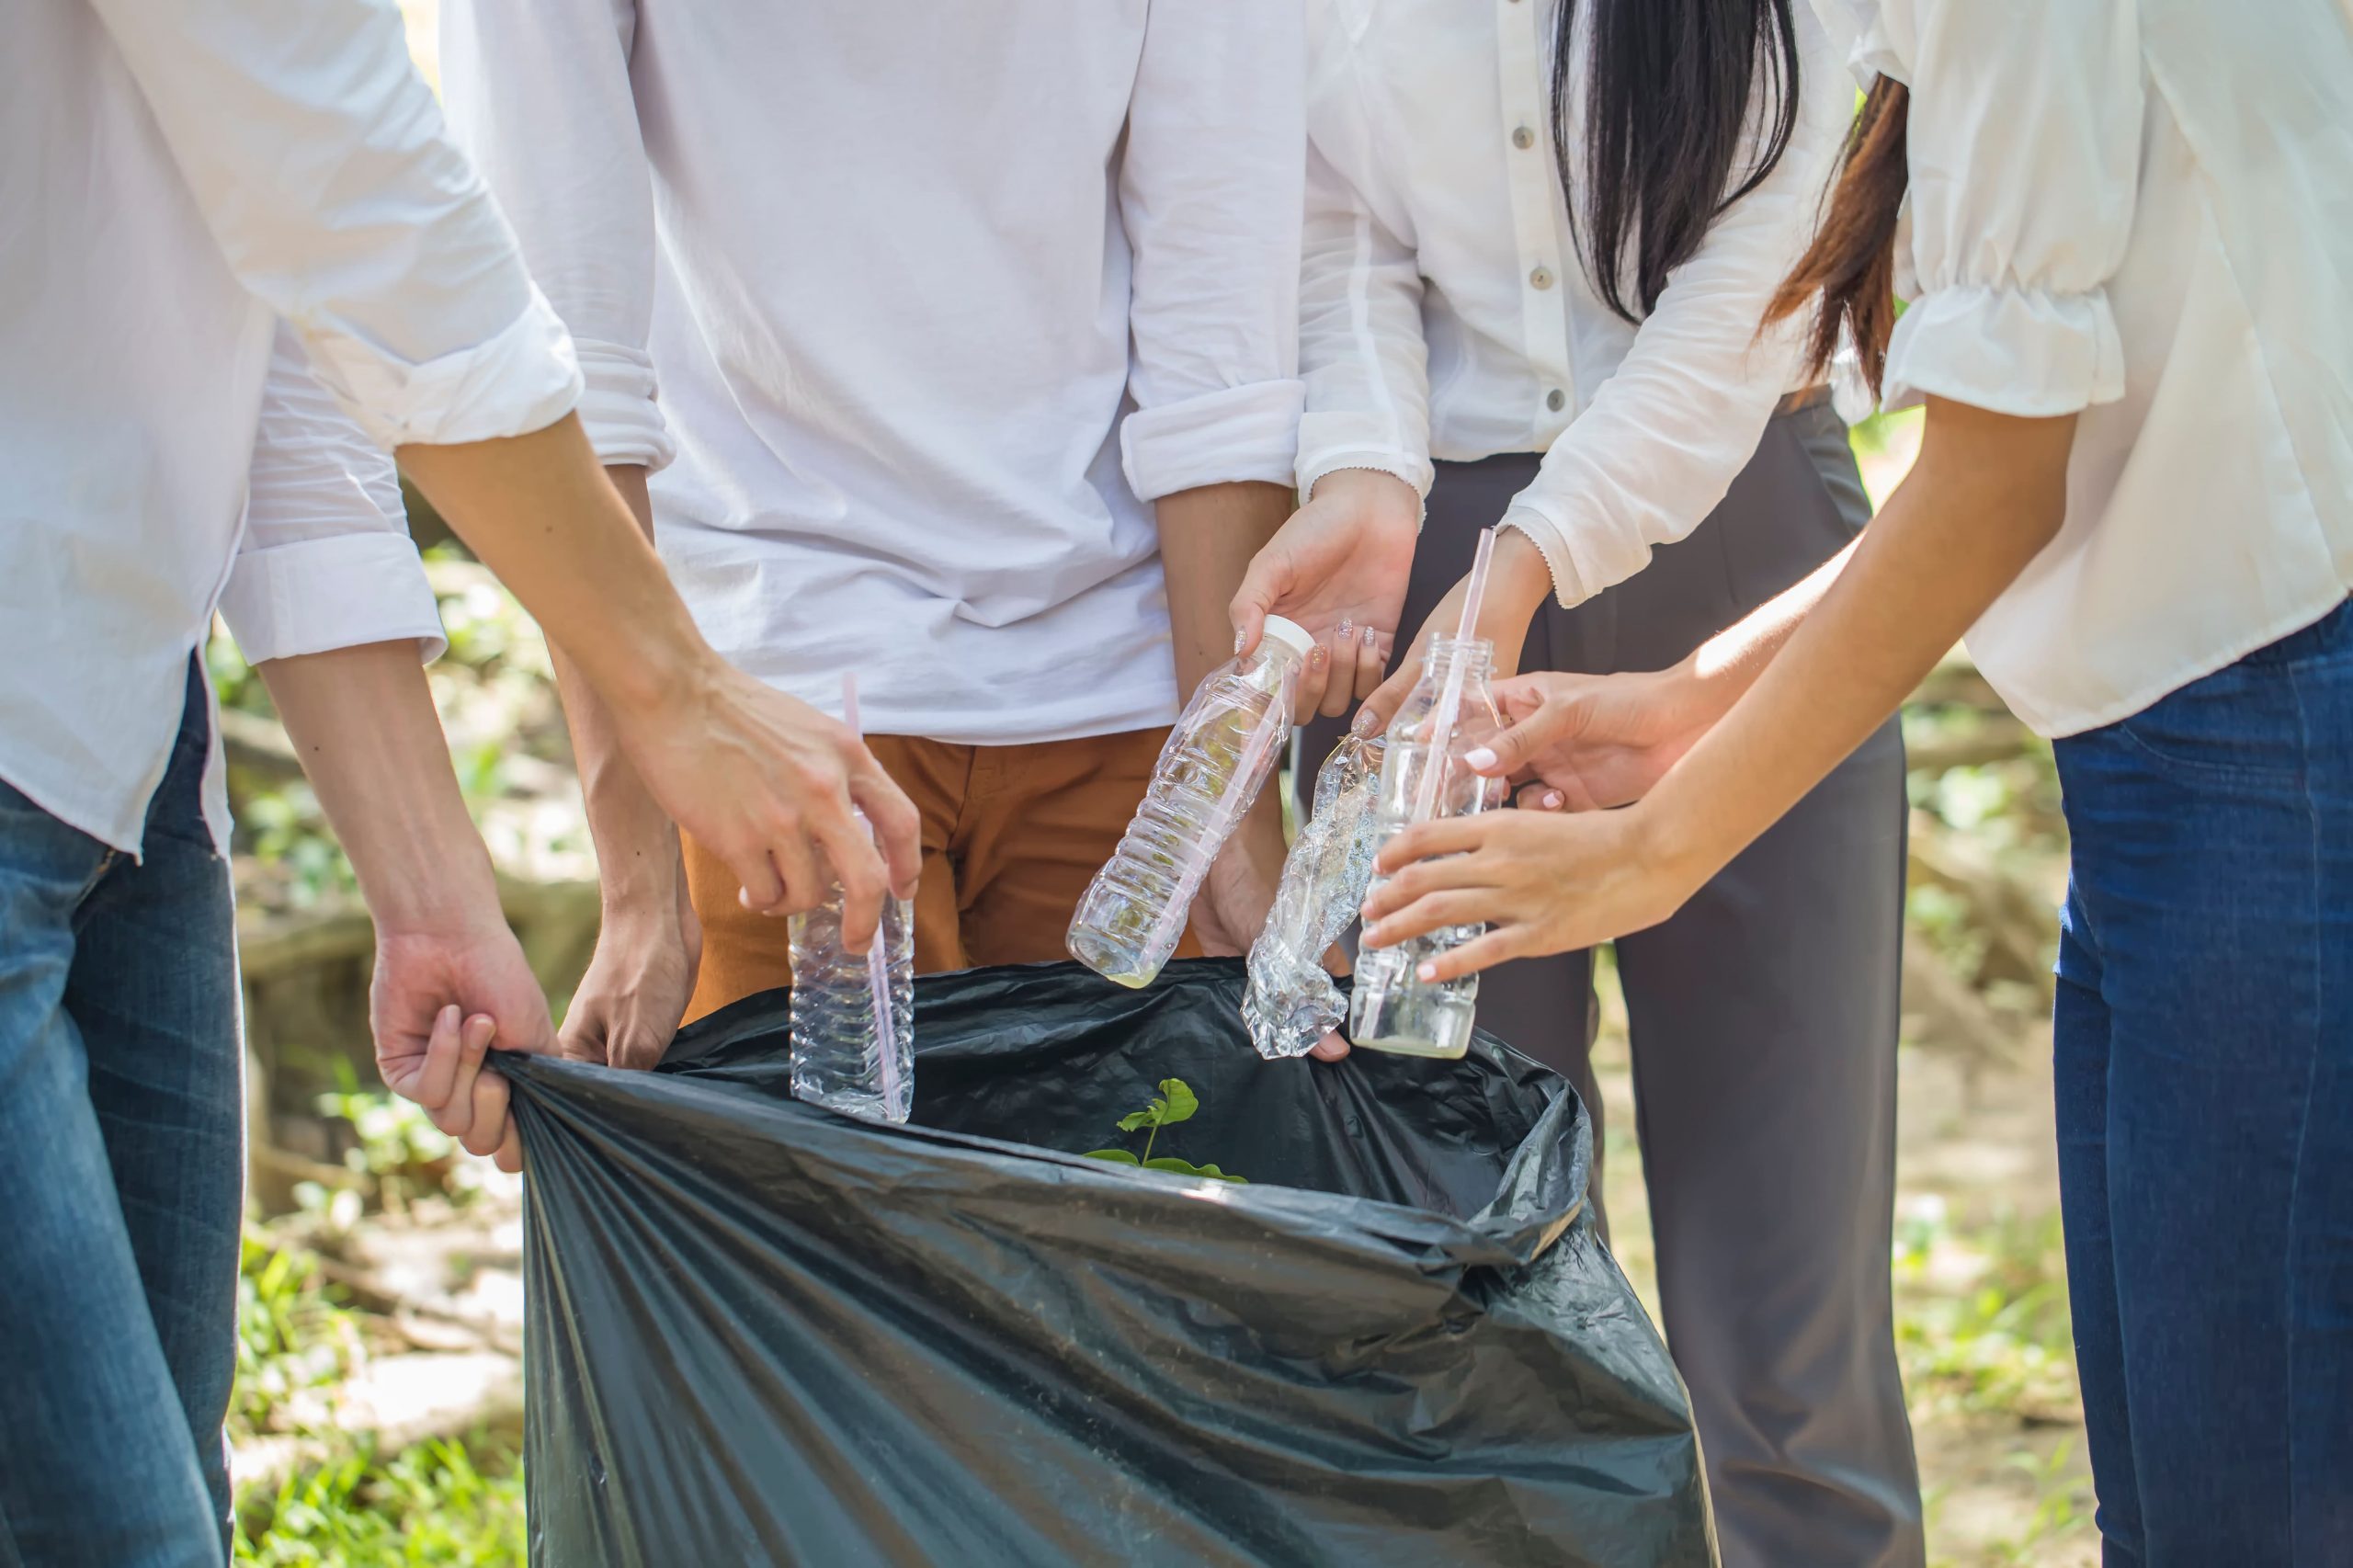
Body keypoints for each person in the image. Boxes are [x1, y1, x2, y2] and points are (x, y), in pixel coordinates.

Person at [1362, 0, 2353, 1561]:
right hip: (2165, 751)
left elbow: (1994, 489)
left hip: (2270, 726)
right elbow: (2019, 457)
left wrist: (1654, 851)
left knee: (2247, 1504)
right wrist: (1687, 705)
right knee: (2170, 1501)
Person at [3, 3, 915, 1560]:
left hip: (113, 738)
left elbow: (290, 336)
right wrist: (671, 684)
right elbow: (354, 191)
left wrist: (429, 888)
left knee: (176, 1511)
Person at [1234, 0, 1925, 1560]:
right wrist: (1363, 472)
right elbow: (1332, 229)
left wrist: (1529, 563)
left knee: (1790, 1308)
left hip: (1744, 540)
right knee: (1473, 1292)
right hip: (1416, 568)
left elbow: (1763, 280)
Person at [438, 0, 1309, 1065]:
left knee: (1114, 1220)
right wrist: (640, 883)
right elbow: (564, 356)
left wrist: (1230, 820)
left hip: (1132, 714)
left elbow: (1220, 341)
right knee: (795, 1232)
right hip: (771, 710)